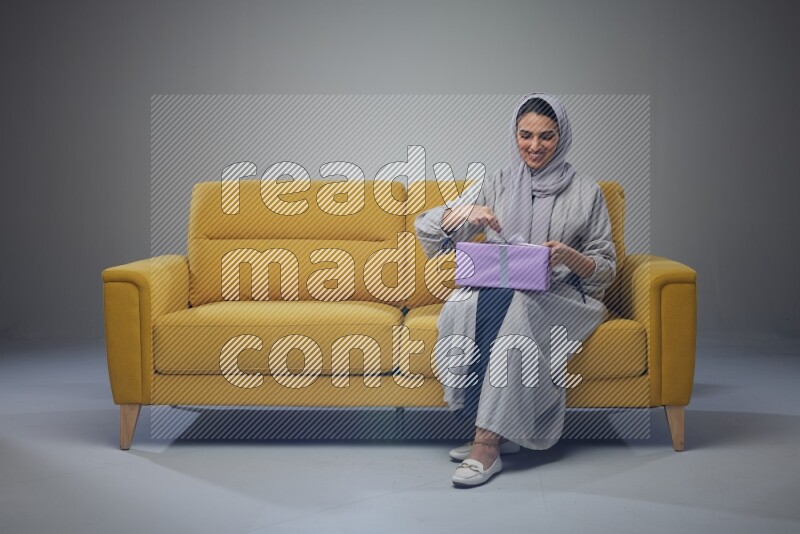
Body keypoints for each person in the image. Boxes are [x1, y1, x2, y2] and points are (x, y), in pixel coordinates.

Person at [414, 93, 617, 487]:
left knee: (519, 309)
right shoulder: (498, 182)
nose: (535, 146)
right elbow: (427, 228)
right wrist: (468, 212)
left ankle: (485, 444)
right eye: (526, 135)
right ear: (515, 134)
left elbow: (604, 267)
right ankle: (495, 426)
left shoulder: (586, 191)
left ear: (562, 137)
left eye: (547, 136)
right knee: (462, 305)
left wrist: (567, 256)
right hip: (500, 287)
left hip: (562, 294)